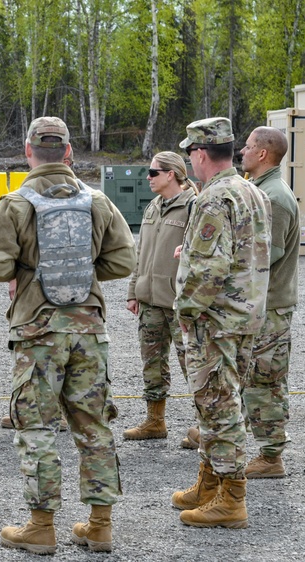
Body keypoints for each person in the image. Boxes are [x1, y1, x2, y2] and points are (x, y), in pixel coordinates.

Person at [0, 117, 136, 554]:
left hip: (38, 328)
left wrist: (31, 274)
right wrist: (83, 272)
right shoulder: (97, 200)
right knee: (94, 425)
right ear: (68, 152)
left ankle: (41, 526)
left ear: (28, 151)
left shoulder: (16, 203)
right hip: (89, 328)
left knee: (37, 426)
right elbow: (123, 260)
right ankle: (100, 525)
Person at [171, 117, 271, 529]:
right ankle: (209, 483)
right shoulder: (250, 189)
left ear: (199, 153)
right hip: (244, 315)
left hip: (216, 320)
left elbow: (208, 268)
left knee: (218, 405)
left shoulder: (214, 198)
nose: (189, 160)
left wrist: (186, 311)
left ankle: (231, 497)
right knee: (217, 403)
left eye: (189, 153)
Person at [123, 152, 197, 441]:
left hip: (180, 303)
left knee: (193, 366)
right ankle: (155, 421)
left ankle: (206, 427)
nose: (148, 177)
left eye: (154, 172)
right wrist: (134, 290)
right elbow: (141, 253)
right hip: (149, 301)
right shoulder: (153, 206)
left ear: (172, 174)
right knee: (152, 364)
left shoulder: (193, 205)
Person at [239, 126, 299, 479]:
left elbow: (267, 256)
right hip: (258, 306)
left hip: (270, 307)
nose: (241, 152)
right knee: (253, 375)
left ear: (263, 154)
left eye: (247, 147)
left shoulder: (273, 197)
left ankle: (270, 455)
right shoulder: (262, 190)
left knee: (266, 379)